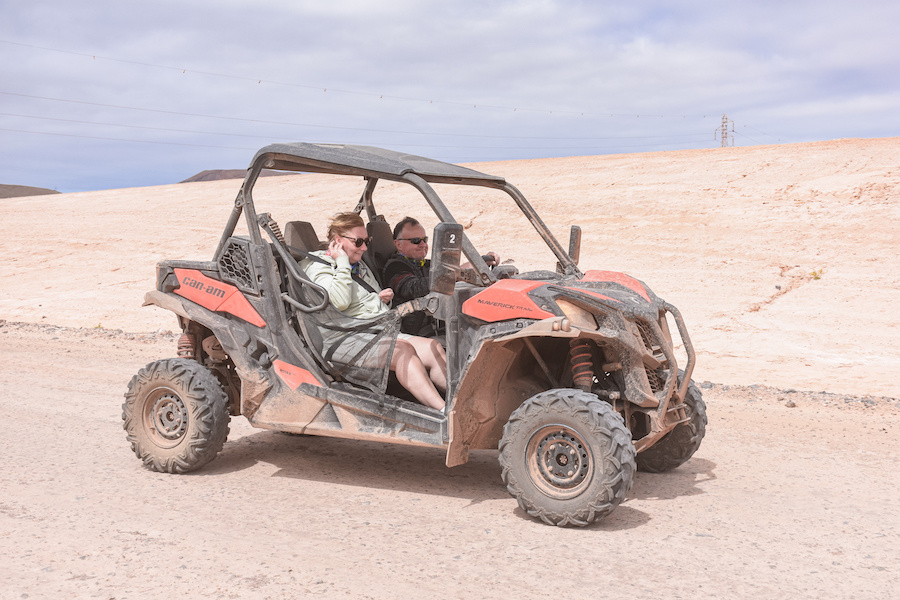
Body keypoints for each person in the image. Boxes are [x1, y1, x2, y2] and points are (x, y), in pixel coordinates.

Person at [300, 212, 447, 410]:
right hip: (344, 339)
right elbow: (339, 302)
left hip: (373, 332)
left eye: (366, 241)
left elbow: (358, 303)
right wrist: (342, 262)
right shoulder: (317, 267)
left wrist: (377, 299)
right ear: (338, 241)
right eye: (358, 242)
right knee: (403, 351)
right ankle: (445, 414)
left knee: (433, 347)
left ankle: (461, 404)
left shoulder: (358, 265)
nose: (364, 248)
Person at [383, 217, 499, 336]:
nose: (423, 244)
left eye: (425, 239)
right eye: (416, 240)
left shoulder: (424, 264)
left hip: (438, 323)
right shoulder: (394, 267)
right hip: (416, 331)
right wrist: (453, 275)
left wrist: (479, 262)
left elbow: (454, 270)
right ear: (398, 244)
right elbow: (415, 288)